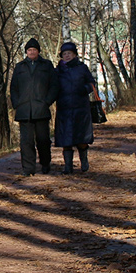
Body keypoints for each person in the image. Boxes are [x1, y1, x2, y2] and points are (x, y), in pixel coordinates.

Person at [10, 38, 59, 176]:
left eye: (34, 50)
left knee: (43, 140)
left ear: (38, 51)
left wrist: (47, 101)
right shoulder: (20, 67)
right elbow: (13, 88)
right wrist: (17, 103)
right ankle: (28, 168)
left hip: (41, 109)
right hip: (24, 110)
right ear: (26, 52)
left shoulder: (47, 65)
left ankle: (45, 163)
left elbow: (54, 86)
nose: (31, 52)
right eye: (29, 50)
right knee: (26, 142)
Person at [54, 41, 95, 174]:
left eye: (69, 53)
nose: (67, 56)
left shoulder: (82, 68)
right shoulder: (58, 70)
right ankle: (68, 167)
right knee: (66, 140)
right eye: (64, 54)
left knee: (81, 139)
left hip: (81, 108)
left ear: (74, 55)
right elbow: (52, 87)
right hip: (64, 109)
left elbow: (91, 83)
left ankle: (84, 161)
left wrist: (84, 89)